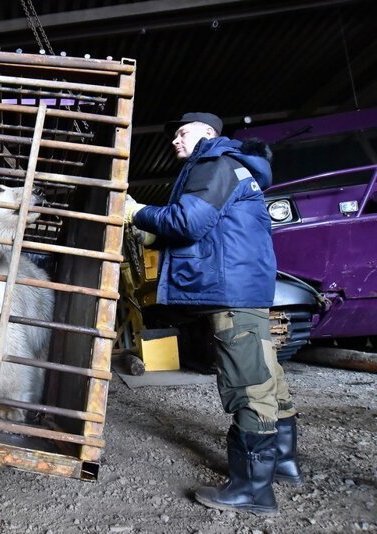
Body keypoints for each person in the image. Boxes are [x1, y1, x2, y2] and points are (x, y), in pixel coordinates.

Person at [125, 112, 302, 516]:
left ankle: (251, 489)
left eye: (182, 132)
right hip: (247, 288)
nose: (174, 140)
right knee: (267, 376)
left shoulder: (213, 163)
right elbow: (211, 228)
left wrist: (137, 213)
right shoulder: (237, 168)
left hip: (232, 294)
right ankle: (284, 464)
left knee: (247, 386)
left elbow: (189, 221)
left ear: (208, 133)